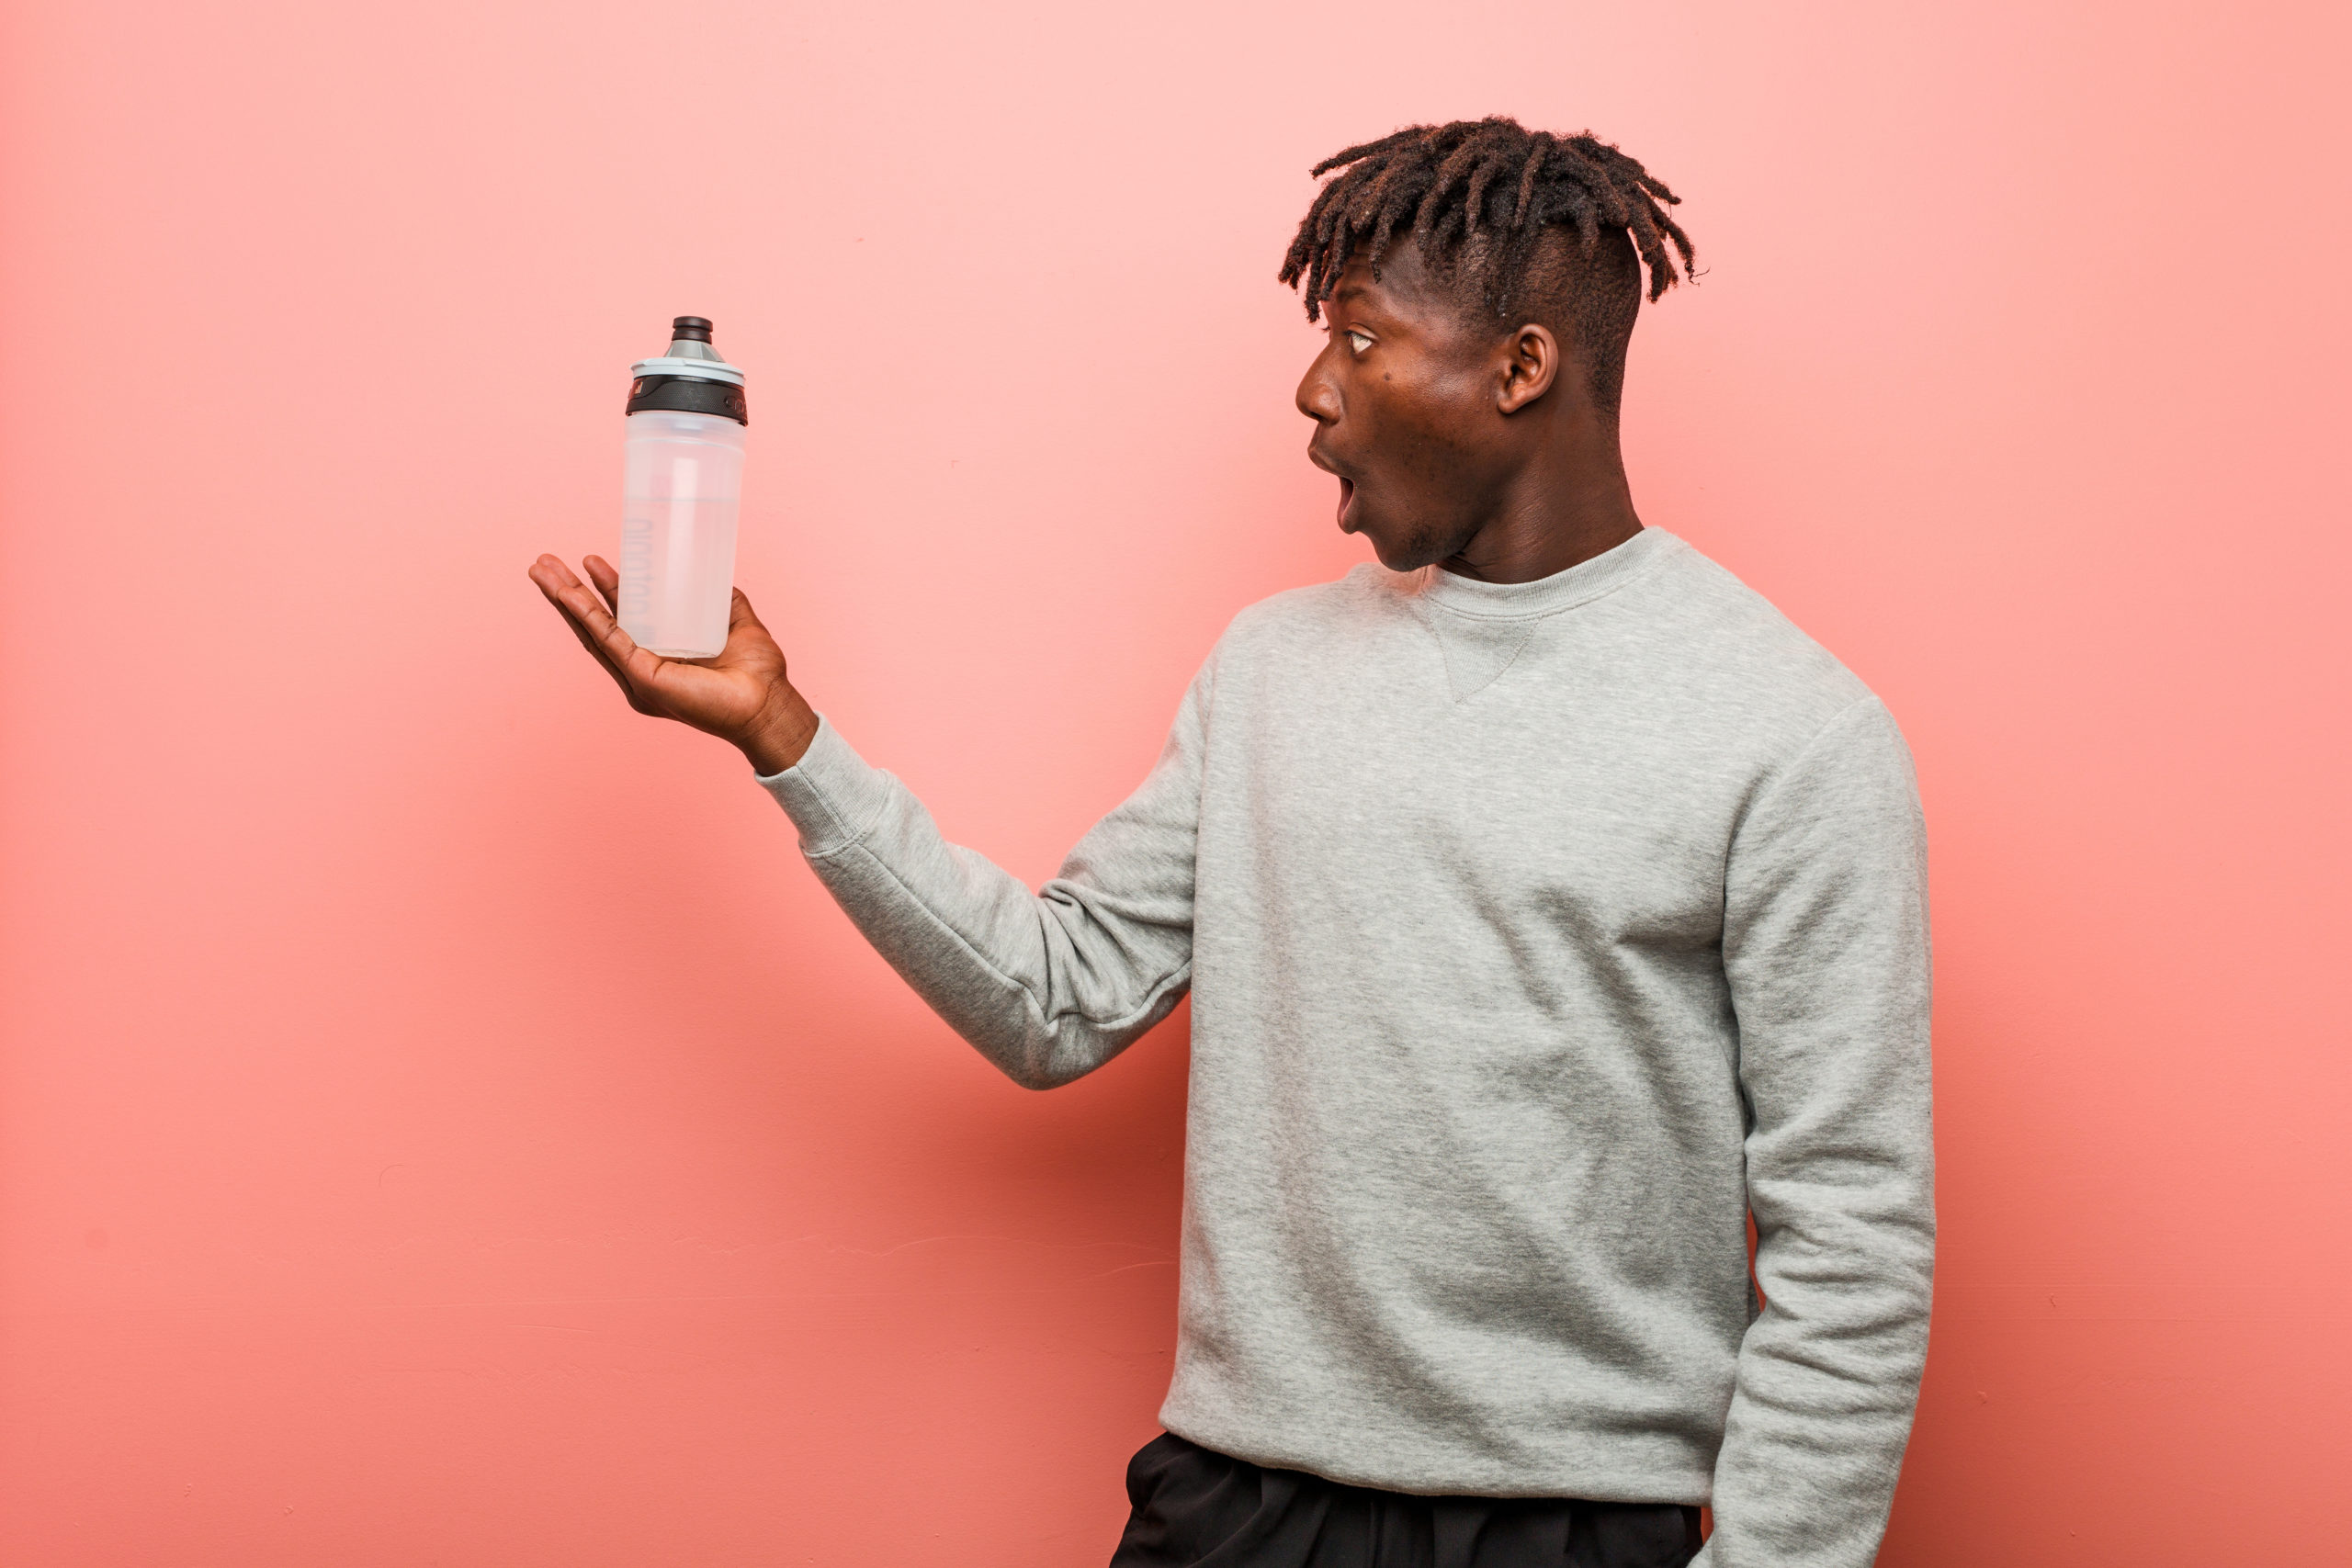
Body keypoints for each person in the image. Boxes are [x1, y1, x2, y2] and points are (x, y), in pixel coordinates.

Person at [530, 118, 1933, 1568]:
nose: (1315, 389)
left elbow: (1854, 1243)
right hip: (1232, 1510)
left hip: (1569, 1531)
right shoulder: (1271, 669)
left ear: (1520, 369)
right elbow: (1056, 998)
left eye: (1361, 338)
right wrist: (783, 736)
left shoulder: (1792, 732)